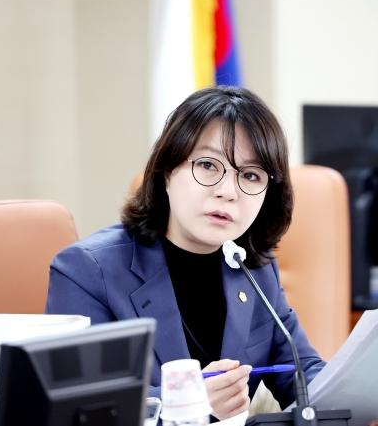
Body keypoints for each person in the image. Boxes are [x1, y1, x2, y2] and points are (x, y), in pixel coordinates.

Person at [46, 86, 325, 420]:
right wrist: (185, 402)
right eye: (208, 165)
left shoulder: (253, 267)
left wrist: (360, 396)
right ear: (167, 172)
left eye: (250, 175)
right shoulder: (86, 271)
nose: (227, 192)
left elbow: (301, 370)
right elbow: (80, 407)